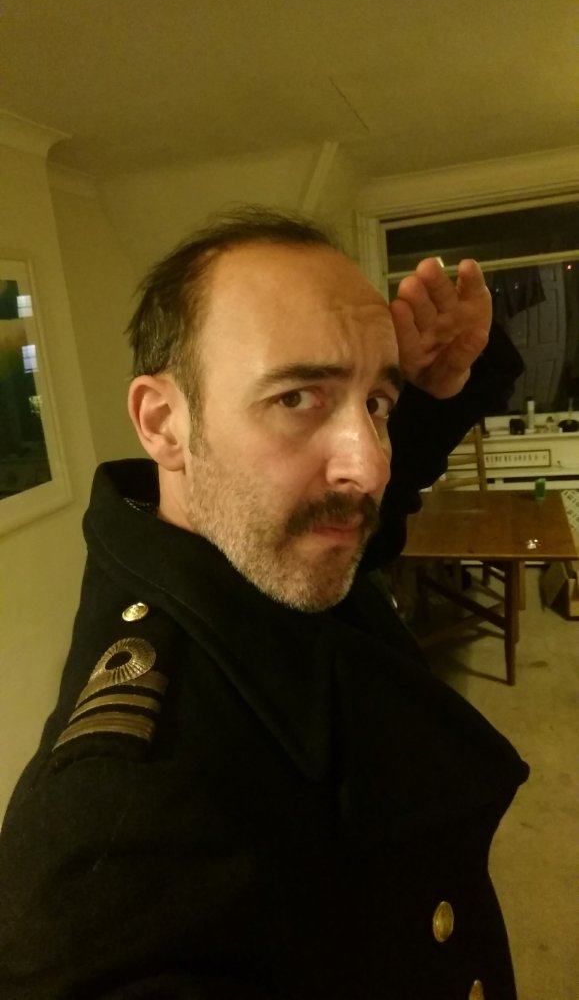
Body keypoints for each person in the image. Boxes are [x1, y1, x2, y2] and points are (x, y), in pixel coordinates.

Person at [0, 208, 528, 1000]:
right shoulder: (120, 827)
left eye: (376, 405)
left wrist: (427, 388)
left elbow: (363, 521)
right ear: (163, 422)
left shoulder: (251, 546)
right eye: (296, 397)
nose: (369, 466)